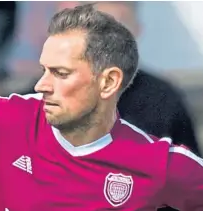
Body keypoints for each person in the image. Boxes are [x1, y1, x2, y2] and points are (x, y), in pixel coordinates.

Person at [0, 4, 203, 211]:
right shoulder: (2, 120)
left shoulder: (159, 163)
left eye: (61, 73)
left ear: (108, 82)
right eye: (44, 69)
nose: (40, 85)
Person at [79, 1, 201, 157]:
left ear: (137, 30)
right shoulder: (49, 91)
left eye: (121, 27)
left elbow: (191, 173)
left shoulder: (163, 99)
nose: (110, 39)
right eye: (101, 27)